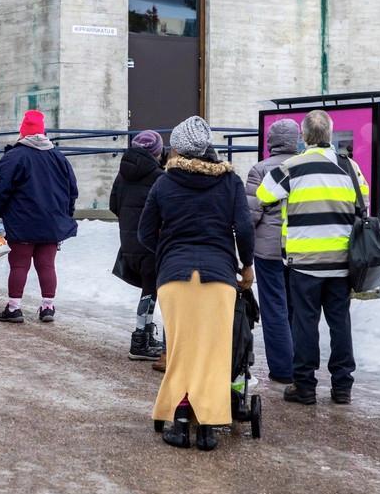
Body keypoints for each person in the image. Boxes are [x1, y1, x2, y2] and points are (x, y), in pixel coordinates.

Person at [138, 116, 254, 451]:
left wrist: (169, 251)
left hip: (174, 278)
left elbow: (145, 233)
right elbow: (244, 230)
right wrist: (246, 265)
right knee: (214, 352)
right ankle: (206, 429)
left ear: (178, 148)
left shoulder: (164, 183)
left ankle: (181, 419)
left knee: (180, 350)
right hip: (219, 278)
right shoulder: (230, 182)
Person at [256, 110, 368, 406]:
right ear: (330, 136)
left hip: (304, 261)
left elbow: (264, 194)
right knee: (339, 323)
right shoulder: (350, 167)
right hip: (342, 262)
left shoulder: (292, 167)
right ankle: (342, 386)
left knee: (304, 323)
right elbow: (363, 202)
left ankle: (304, 386)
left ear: (304, 137)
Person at [0, 110, 78, 324]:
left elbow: (0, 188)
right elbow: (72, 190)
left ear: (23, 132)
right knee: (47, 265)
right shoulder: (59, 157)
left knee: (19, 265)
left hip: (22, 221)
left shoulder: (14, 157)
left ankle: (14, 308)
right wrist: (66, 215)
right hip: (52, 222)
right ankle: (47, 307)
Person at [243, 118, 299, 384]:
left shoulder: (260, 170)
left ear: (271, 142)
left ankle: (282, 369)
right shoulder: (304, 167)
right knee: (296, 307)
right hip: (300, 248)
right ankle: (299, 364)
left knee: (274, 307)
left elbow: (251, 215)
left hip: (268, 251)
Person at [109, 129, 165, 360]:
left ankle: (144, 334)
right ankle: (140, 339)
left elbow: (114, 204)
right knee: (150, 292)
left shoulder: (122, 175)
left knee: (147, 290)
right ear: (157, 152)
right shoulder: (159, 177)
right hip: (151, 243)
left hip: (129, 241)